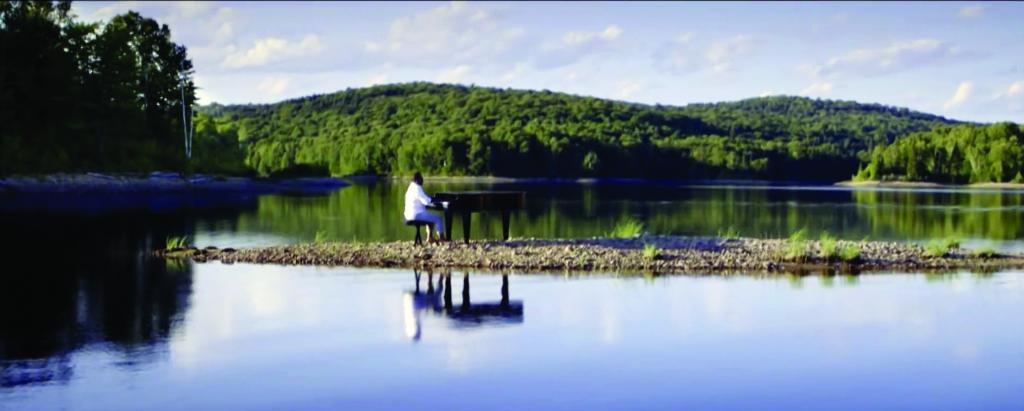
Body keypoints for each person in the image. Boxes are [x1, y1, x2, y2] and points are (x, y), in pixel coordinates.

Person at [404, 172, 446, 242]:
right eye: (421, 178)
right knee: (438, 219)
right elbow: (426, 202)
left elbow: (424, 198)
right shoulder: (417, 188)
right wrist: (438, 202)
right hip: (415, 215)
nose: (422, 180)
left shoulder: (411, 187)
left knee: (429, 217)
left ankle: (430, 237)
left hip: (408, 215)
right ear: (418, 179)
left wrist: (432, 200)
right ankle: (441, 237)